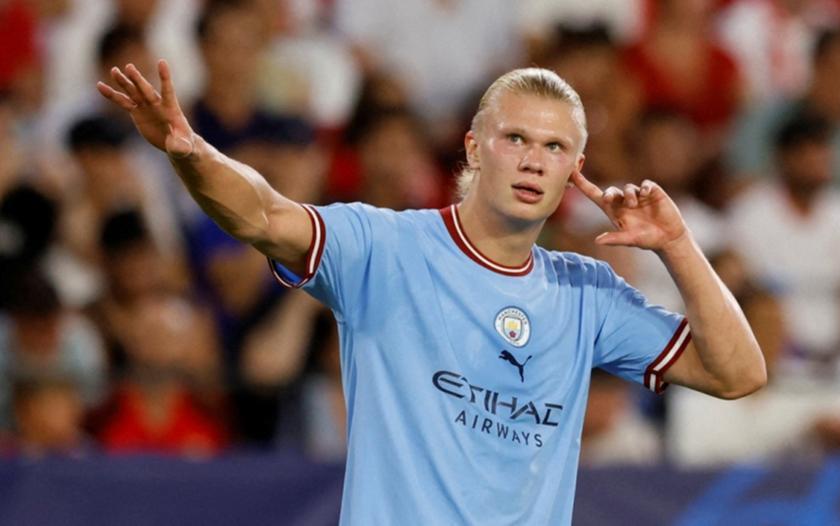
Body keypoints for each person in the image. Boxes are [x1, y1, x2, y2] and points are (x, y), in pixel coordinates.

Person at [97, 61, 766, 524]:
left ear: (576, 168)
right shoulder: (386, 247)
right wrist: (189, 151)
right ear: (474, 147)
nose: (534, 160)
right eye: (516, 138)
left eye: (554, 147)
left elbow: (738, 373)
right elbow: (264, 215)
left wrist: (678, 245)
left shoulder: (585, 292)